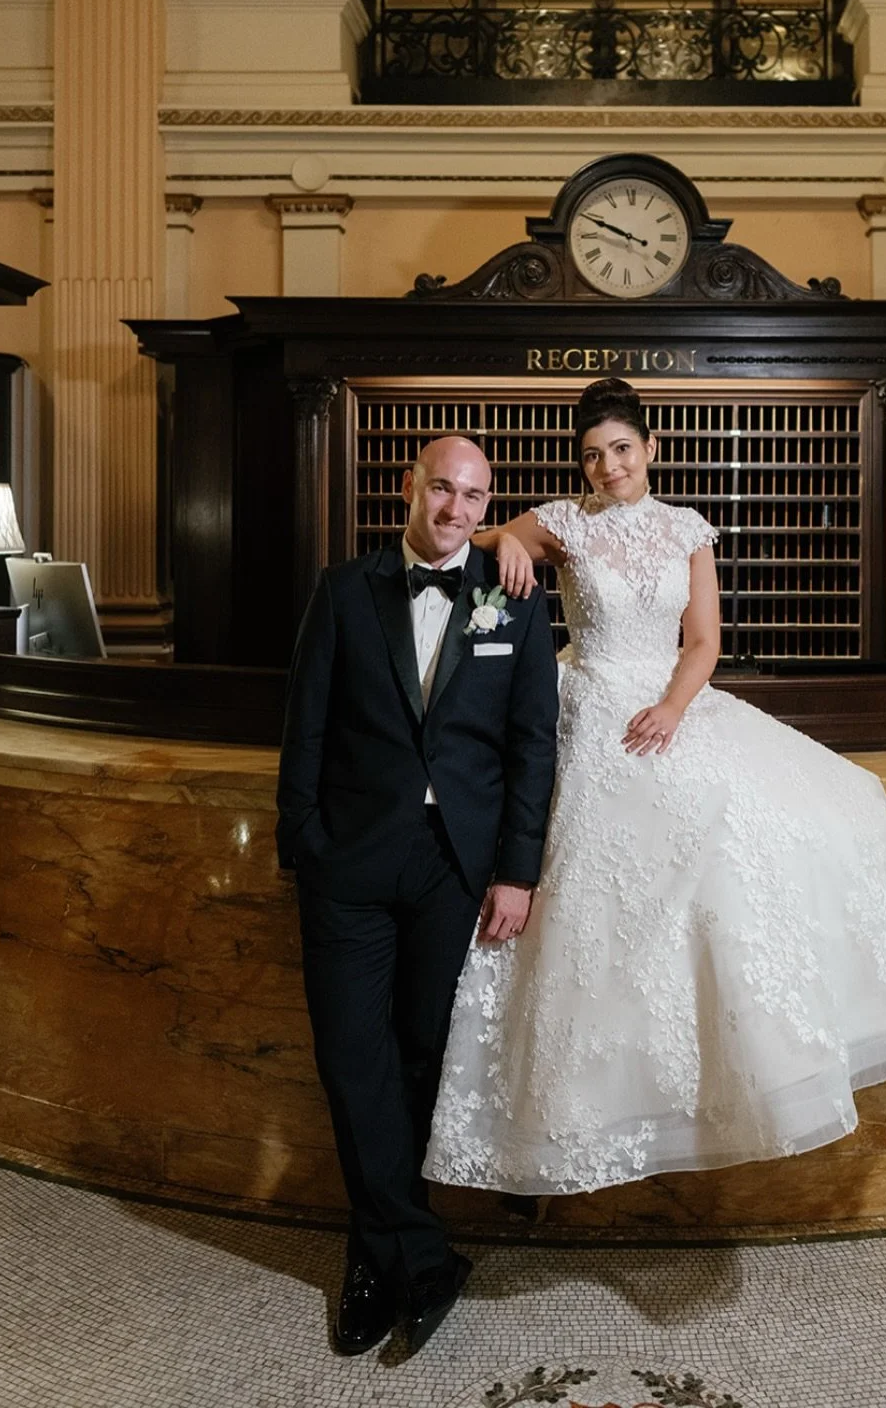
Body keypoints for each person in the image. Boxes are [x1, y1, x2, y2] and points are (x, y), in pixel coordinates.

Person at [424, 379, 886, 1196]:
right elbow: (469, 535)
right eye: (592, 456)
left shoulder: (687, 528)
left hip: (670, 700)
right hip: (591, 701)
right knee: (608, 879)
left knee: (815, 806)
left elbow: (704, 640)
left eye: (621, 449)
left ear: (651, 448)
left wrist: (673, 708)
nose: (608, 467)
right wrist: (504, 540)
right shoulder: (564, 522)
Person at [276, 435, 558, 1355]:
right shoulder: (343, 590)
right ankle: (419, 1256)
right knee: (350, 1058)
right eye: (442, 488)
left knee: (423, 1059)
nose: (455, 510)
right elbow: (305, 726)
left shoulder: (514, 599)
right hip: (350, 865)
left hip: (456, 868)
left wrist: (517, 870)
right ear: (409, 487)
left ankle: (376, 1257)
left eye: (474, 497)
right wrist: (305, 843)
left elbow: (532, 745)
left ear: (487, 507)